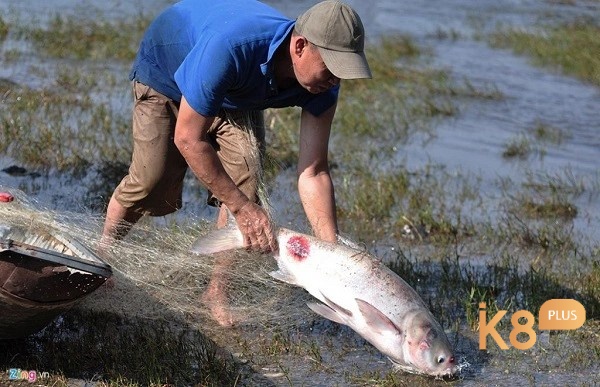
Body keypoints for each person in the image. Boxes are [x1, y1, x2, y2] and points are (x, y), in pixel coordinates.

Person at [101, 0, 372, 326]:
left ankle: (217, 290)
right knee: (151, 179)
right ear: (300, 46)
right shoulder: (231, 48)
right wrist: (244, 210)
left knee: (245, 174)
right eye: (331, 68)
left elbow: (313, 171)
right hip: (166, 70)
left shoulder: (323, 85)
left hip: (232, 88)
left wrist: (331, 252)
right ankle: (103, 255)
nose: (335, 80)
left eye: (343, 72)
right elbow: (188, 138)